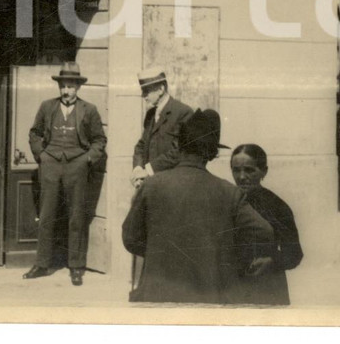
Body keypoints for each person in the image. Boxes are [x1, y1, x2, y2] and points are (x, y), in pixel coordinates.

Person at [122, 109, 275, 304]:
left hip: (158, 295)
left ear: (179, 146)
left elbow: (130, 238)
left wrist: (164, 251)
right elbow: (265, 232)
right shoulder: (229, 192)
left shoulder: (151, 185)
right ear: (211, 153)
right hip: (209, 298)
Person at [23, 61, 107, 287]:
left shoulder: (89, 110)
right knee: (46, 215)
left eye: (70, 86)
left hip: (76, 166)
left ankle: (76, 266)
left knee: (76, 216)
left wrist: (87, 159)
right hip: (50, 164)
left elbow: (100, 140)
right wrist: (42, 155)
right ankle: (42, 264)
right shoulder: (47, 106)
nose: (66, 91)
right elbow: (34, 133)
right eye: (63, 86)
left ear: (78, 87)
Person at [229, 143, 303, 305]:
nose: (241, 176)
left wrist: (272, 261)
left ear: (264, 171)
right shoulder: (226, 202)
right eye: (236, 170)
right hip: (233, 287)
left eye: (249, 170)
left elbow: (295, 254)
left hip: (267, 287)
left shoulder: (277, 206)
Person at [130, 67, 195, 189]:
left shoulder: (183, 113)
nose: (143, 95)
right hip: (151, 184)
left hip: (172, 186)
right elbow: (141, 145)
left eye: (146, 91)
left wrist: (148, 170)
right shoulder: (150, 114)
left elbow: (179, 151)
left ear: (160, 89)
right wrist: (138, 169)